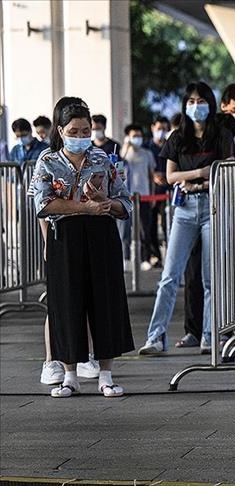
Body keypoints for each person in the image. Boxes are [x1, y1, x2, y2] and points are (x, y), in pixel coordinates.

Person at [28, 100, 134, 397]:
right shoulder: (47, 162)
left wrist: (104, 202)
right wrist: (83, 207)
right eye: (74, 130)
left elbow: (124, 202)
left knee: (105, 301)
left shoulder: (103, 158)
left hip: (101, 233)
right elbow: (44, 203)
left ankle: (107, 375)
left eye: (86, 130)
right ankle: (69, 375)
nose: (81, 135)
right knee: (65, 304)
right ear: (61, 131)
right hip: (65, 235)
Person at [138, 81, 234, 355]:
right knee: (169, 275)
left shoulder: (221, 134)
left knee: (210, 277)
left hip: (213, 206)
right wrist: (201, 174)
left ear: (210, 103)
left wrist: (200, 182)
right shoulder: (177, 137)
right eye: (190, 101)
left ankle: (208, 335)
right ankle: (155, 336)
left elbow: (226, 168)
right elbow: (170, 176)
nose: (196, 106)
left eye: (200, 101)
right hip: (184, 209)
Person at [119, 124, 158, 266]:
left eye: (139, 136)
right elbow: (120, 165)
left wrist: (152, 195)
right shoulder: (124, 154)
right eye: (134, 136)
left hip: (144, 195)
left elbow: (151, 176)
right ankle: (126, 258)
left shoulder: (147, 154)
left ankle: (145, 258)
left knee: (144, 229)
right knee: (126, 230)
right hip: (127, 196)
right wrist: (126, 147)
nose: (137, 139)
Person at [142, 116, 171, 268]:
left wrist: (167, 176)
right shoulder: (146, 147)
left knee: (168, 224)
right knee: (150, 225)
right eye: (159, 128)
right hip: (151, 192)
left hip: (168, 191)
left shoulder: (170, 145)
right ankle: (155, 256)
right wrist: (154, 176)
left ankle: (169, 255)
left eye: (165, 129)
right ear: (153, 128)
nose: (162, 132)